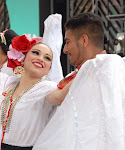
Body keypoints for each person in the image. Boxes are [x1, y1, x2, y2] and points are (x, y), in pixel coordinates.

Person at [33, 12, 125, 150]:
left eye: (68, 42)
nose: (65, 49)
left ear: (83, 40)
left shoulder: (102, 67)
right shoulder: (88, 71)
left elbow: (54, 98)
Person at [0, 14, 71, 150]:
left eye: (47, 58)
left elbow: (59, 96)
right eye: (36, 53)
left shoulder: (46, 88)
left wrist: (84, 70)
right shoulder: (6, 82)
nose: (41, 59)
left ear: (49, 69)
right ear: (23, 58)